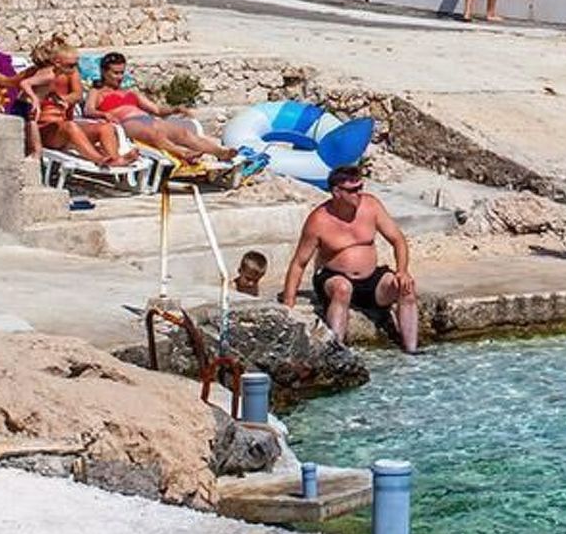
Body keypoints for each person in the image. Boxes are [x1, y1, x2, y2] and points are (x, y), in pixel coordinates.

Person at [279, 164, 419, 351]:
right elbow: (299, 263)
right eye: (353, 190)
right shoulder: (319, 220)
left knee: (406, 287)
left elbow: (398, 240)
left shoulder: (371, 206)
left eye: (361, 187)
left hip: (371, 280)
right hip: (334, 278)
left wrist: (402, 271)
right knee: (342, 288)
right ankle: (337, 350)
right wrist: (289, 303)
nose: (358, 194)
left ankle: (412, 350)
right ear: (337, 192)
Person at [88, 52, 261, 175]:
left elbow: (156, 110)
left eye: (121, 72)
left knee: (183, 132)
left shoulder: (130, 92)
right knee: (153, 134)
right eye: (115, 73)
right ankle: (183, 153)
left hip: (146, 118)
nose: (119, 77)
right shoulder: (97, 92)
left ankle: (219, 152)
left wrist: (174, 109)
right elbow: (88, 110)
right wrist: (103, 115)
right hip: (125, 123)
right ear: (104, 72)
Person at [34, 46, 133, 168]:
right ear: (56, 62)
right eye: (70, 65)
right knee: (70, 126)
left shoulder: (70, 74)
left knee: (105, 127)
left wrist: (62, 100)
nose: (74, 68)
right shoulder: (36, 77)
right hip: (45, 131)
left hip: (65, 127)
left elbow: (78, 95)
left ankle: (116, 160)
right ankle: (99, 159)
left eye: (75, 65)